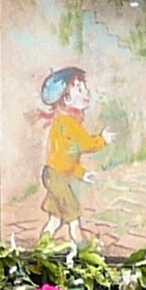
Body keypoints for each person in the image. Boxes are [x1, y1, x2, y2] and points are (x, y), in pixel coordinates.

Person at [35, 66, 108, 237]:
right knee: (73, 215)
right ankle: (81, 247)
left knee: (56, 218)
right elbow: (87, 144)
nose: (87, 93)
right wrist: (103, 139)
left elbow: (67, 158)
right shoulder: (68, 123)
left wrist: (82, 174)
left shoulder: (66, 121)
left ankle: (42, 244)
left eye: (85, 87)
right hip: (56, 177)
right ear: (67, 99)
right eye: (80, 89)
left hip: (55, 174)